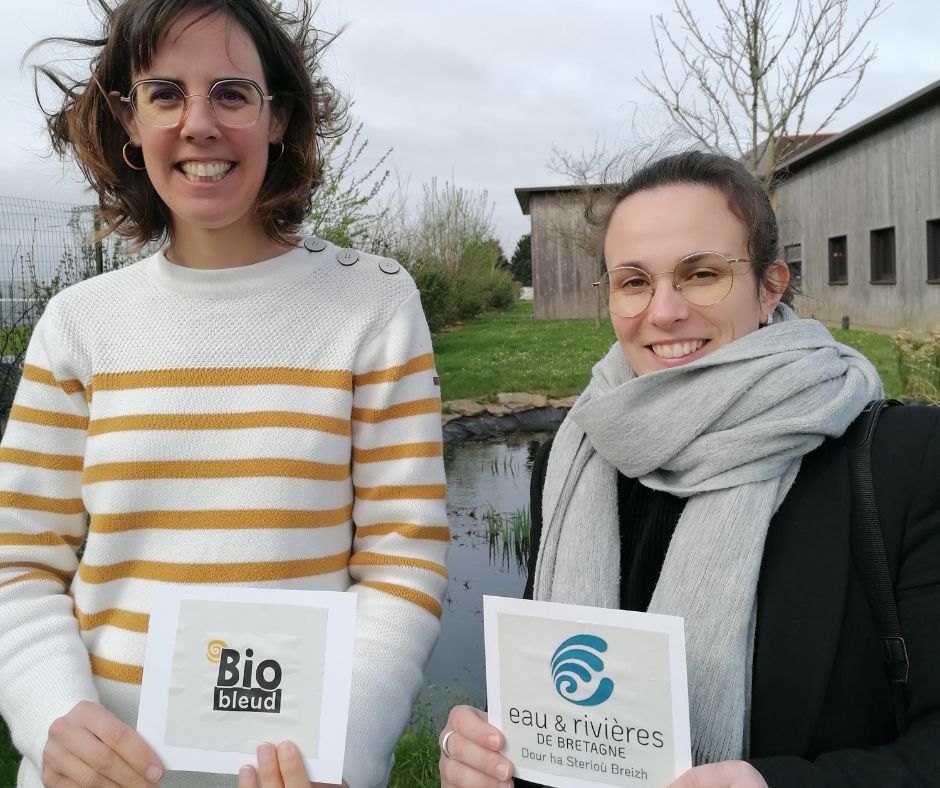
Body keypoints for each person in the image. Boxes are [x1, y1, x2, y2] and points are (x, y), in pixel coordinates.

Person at [0, 1, 448, 786]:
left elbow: (402, 563)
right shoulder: (79, 324)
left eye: (233, 93)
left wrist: (343, 750)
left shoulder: (373, 303)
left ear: (279, 118)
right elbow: (19, 562)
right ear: (128, 121)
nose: (199, 123)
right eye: (165, 93)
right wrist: (52, 720)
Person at [438, 150, 940, 788]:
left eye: (702, 274)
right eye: (634, 281)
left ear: (770, 286)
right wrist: (484, 753)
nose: (664, 310)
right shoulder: (572, 462)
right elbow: (553, 710)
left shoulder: (902, 463)